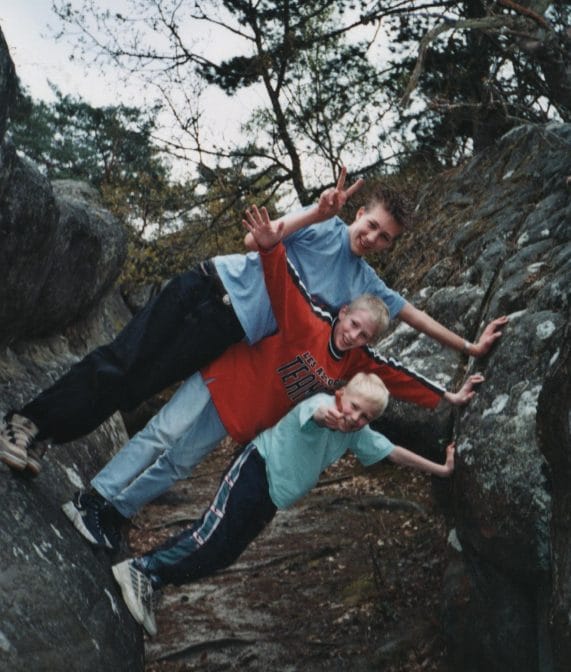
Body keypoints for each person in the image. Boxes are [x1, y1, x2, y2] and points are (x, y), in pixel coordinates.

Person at [0, 168, 507, 474]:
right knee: (122, 361)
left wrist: (469, 348)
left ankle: (44, 433)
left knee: (136, 384)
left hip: (227, 330)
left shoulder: (366, 287)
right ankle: (25, 421)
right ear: (359, 214)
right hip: (206, 291)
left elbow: (415, 317)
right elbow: (255, 241)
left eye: (385, 238)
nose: (372, 238)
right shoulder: (323, 225)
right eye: (371, 225)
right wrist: (317, 210)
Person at [62, 203, 482, 553]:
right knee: (161, 433)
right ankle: (92, 498)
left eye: (364, 335)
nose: (354, 334)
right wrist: (268, 244)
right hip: (221, 379)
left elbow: (399, 374)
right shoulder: (308, 320)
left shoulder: (352, 361)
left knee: (178, 463)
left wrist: (450, 392)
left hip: (239, 417)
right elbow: (283, 277)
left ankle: (115, 512)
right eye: (352, 323)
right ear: (342, 312)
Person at [111, 372, 457, 636]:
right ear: (340, 395)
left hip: (271, 498)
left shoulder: (356, 434)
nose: (354, 418)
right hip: (254, 470)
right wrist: (330, 416)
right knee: (209, 534)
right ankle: (140, 568)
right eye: (353, 407)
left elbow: (394, 452)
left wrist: (440, 469)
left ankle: (154, 579)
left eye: (365, 416)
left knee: (224, 553)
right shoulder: (319, 405)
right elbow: (319, 414)